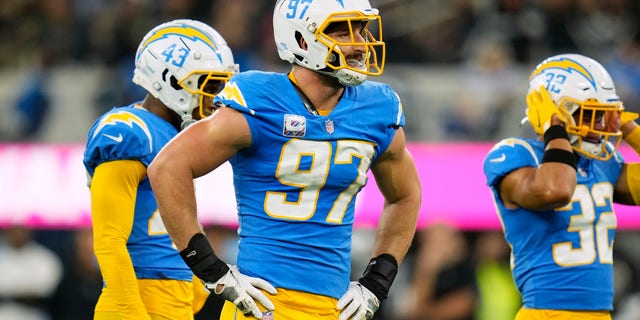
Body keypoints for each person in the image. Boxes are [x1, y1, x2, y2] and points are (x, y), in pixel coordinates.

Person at [147, 1, 422, 319]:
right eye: (344, 32)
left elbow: (406, 195)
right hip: (263, 305)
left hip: (334, 309)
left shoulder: (376, 108)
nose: (360, 44)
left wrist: (377, 281)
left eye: (361, 30)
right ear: (303, 41)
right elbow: (168, 167)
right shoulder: (261, 100)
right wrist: (209, 268)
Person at [82, 19, 238, 320]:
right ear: (170, 79)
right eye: (209, 83)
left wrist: (196, 289)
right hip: (135, 300)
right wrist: (130, 311)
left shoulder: (176, 136)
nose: (216, 96)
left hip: (174, 301)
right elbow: (109, 239)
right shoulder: (129, 132)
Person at [483, 53, 640, 319]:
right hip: (547, 313)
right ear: (556, 111)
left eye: (604, 116)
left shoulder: (601, 162)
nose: (600, 127)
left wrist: (630, 128)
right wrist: (553, 130)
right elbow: (556, 189)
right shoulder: (517, 155)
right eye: (590, 116)